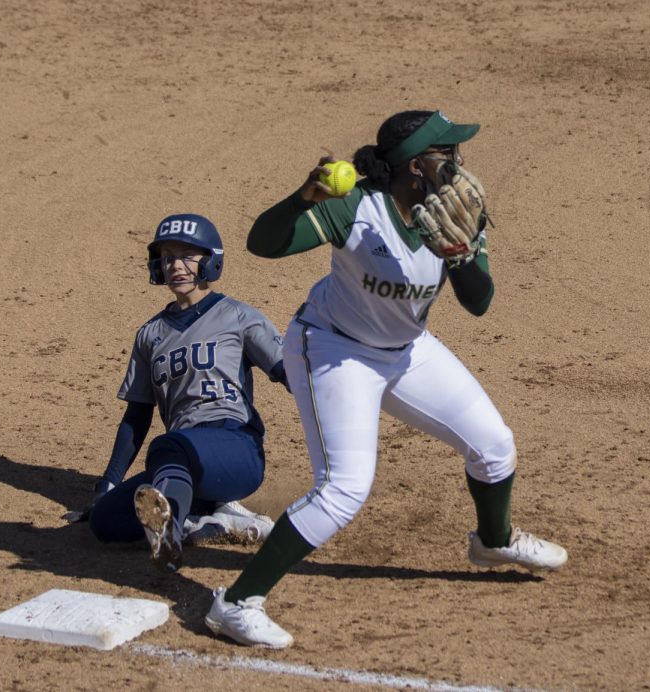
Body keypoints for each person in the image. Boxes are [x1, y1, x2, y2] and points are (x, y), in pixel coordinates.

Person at [204, 109, 568, 648]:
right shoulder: (357, 207)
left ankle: (493, 541)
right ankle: (234, 604)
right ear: (416, 166)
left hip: (406, 351)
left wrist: (461, 254)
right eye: (447, 153)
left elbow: (480, 301)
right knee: (344, 489)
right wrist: (305, 195)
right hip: (333, 349)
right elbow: (264, 243)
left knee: (494, 447)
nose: (459, 162)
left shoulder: (461, 211)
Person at [81, 213, 287, 573]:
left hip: (236, 448)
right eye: (168, 257)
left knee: (169, 446)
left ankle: (172, 533)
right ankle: (212, 519)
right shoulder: (150, 335)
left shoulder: (237, 316)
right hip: (179, 461)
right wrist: (107, 483)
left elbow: (289, 372)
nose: (176, 265)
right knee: (106, 520)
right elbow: (136, 417)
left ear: (210, 261)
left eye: (188, 256)